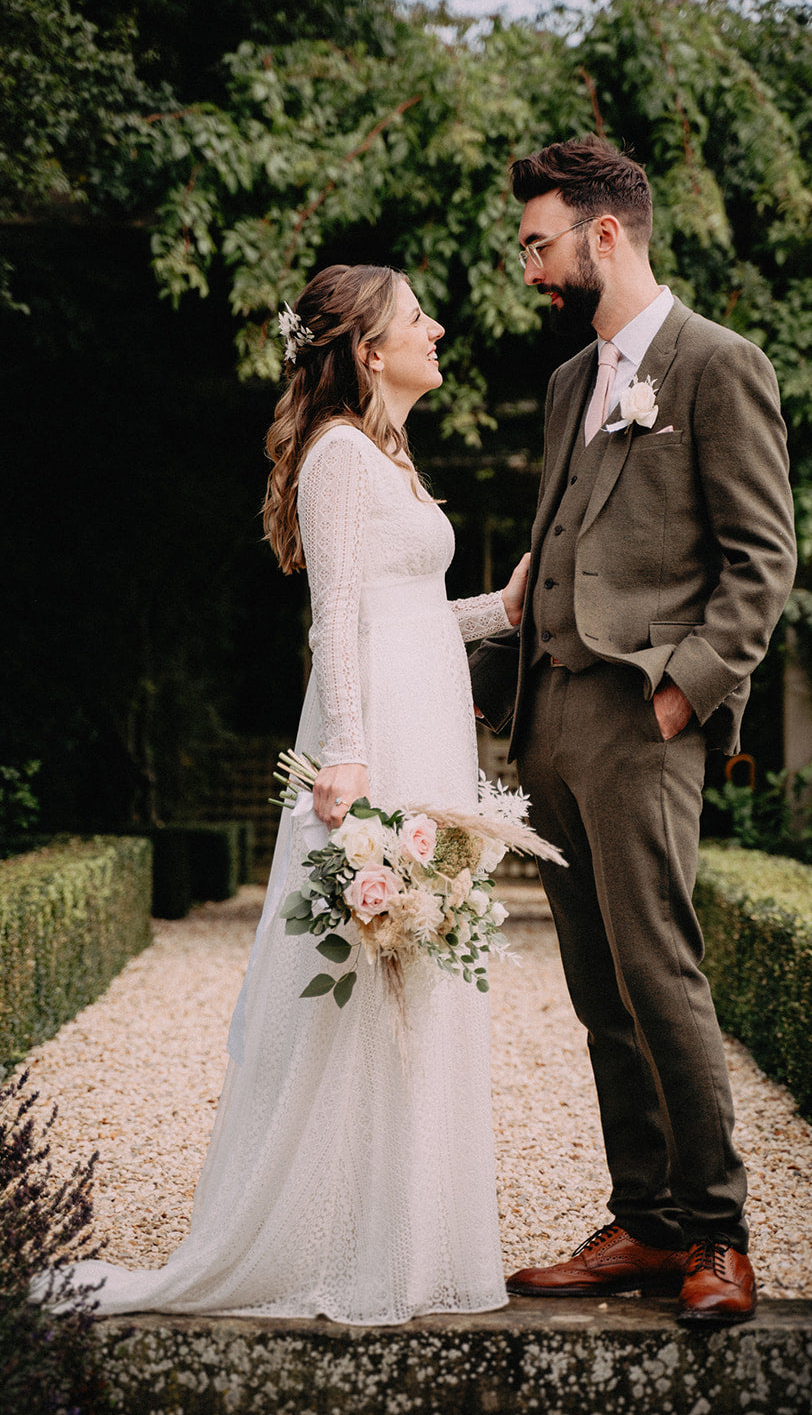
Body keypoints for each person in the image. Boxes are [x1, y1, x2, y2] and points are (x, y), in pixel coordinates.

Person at [50, 263, 528, 1324]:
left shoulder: (389, 456)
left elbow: (400, 617)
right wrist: (350, 755)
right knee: (366, 968)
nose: (437, 327)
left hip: (422, 724)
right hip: (380, 742)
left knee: (418, 963)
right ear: (368, 349)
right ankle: (342, 1244)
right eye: (417, 318)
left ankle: (400, 1234)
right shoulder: (338, 456)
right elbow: (336, 617)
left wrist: (498, 607)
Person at [470, 135, 797, 1326]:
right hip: (547, 721)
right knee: (598, 984)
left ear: (604, 234)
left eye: (538, 245)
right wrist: (492, 682)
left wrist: (680, 696)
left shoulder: (716, 364)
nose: (530, 271)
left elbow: (760, 564)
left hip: (642, 721)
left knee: (660, 972)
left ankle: (717, 1234)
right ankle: (648, 1223)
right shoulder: (569, 387)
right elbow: (552, 547)